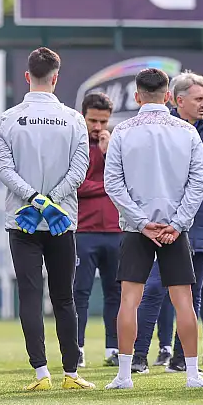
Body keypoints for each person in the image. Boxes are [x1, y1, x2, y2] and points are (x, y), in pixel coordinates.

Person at [0, 48, 95, 391]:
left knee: (30, 296)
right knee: (64, 297)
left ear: (27, 76)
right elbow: (79, 170)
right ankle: (71, 373)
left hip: (22, 221)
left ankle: (41, 373)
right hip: (60, 220)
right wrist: (50, 201)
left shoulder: (7, 119)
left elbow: (3, 169)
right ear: (56, 78)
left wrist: (34, 199)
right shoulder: (73, 119)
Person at [103, 67, 203, 390]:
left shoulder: (122, 131)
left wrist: (140, 222)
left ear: (137, 96)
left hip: (138, 229)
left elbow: (112, 183)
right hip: (173, 229)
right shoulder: (187, 132)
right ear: (168, 96)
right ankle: (192, 374)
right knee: (184, 302)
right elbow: (199, 183)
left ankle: (124, 375)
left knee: (129, 300)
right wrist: (177, 223)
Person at [134, 72, 203, 374]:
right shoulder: (166, 130)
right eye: (198, 98)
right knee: (154, 288)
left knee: (195, 293)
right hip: (166, 223)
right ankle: (139, 356)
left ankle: (180, 358)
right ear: (178, 100)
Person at [73, 92, 123, 369]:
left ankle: (113, 349)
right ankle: (77, 349)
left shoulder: (116, 145)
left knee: (115, 293)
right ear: (83, 116)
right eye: (92, 120)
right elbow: (75, 184)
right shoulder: (75, 144)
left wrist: (108, 154)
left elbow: (126, 182)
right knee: (79, 292)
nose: (97, 126)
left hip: (116, 231)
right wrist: (107, 186)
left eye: (103, 121)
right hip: (83, 230)